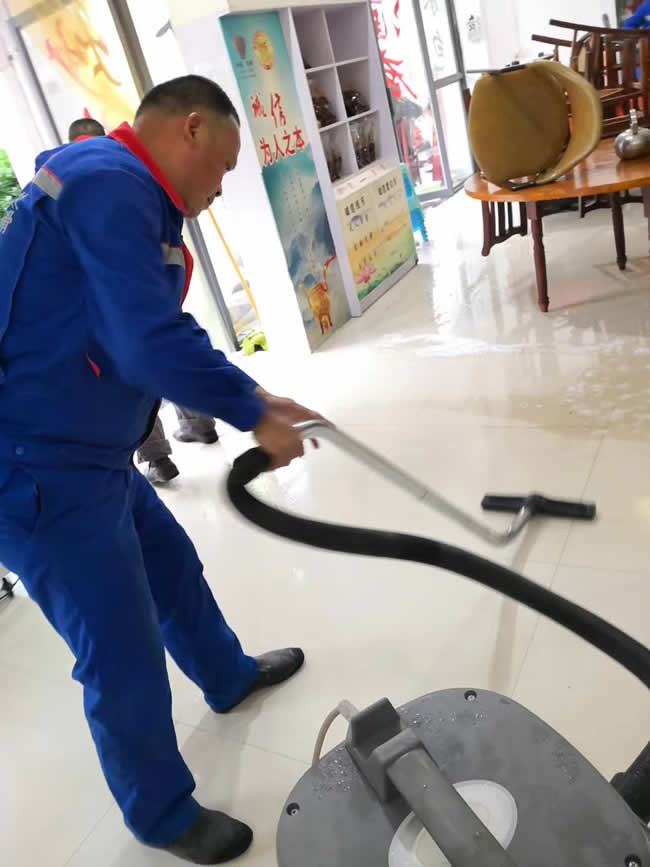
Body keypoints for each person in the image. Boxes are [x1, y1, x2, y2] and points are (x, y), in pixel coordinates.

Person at [0, 75, 321, 864]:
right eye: (225, 164)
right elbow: (145, 343)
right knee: (120, 643)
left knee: (171, 568)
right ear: (190, 129)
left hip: (89, 453)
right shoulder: (112, 185)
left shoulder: (107, 180)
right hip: (35, 468)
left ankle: (226, 674)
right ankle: (161, 813)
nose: (222, 186)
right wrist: (252, 412)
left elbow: (141, 327)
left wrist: (253, 394)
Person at [44, 117, 218, 486]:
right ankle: (200, 422)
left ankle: (157, 456)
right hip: (155, 287)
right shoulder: (126, 172)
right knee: (167, 348)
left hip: (109, 308)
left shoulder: (60, 181)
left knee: (133, 370)